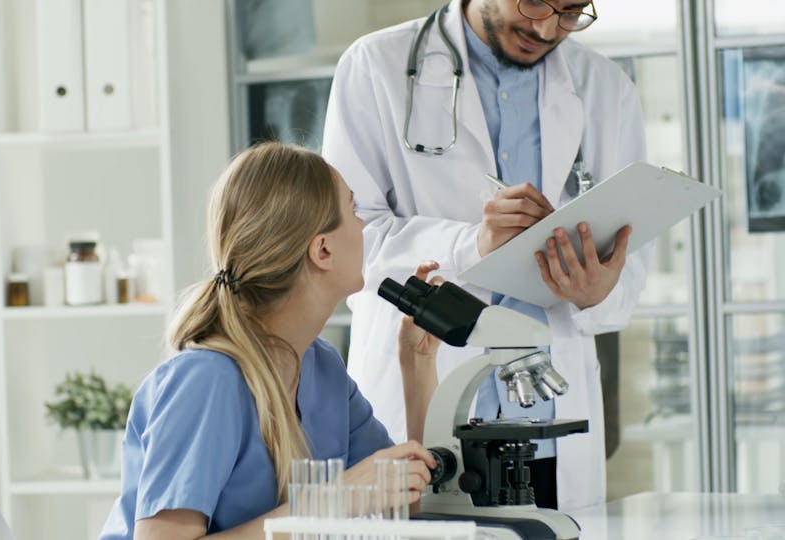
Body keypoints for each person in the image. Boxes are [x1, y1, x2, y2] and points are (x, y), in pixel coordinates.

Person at [322, 0, 652, 511]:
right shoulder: (375, 67)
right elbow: (344, 242)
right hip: (422, 415)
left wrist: (597, 292)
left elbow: (630, 256)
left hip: (548, 424)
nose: (546, 28)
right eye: (535, 3)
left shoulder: (605, 89)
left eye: (570, 12)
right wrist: (469, 244)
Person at [98, 142, 442, 540]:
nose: (363, 227)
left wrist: (417, 367)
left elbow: (409, 502)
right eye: (353, 211)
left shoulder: (322, 368)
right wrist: (333, 502)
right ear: (323, 249)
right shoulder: (205, 381)